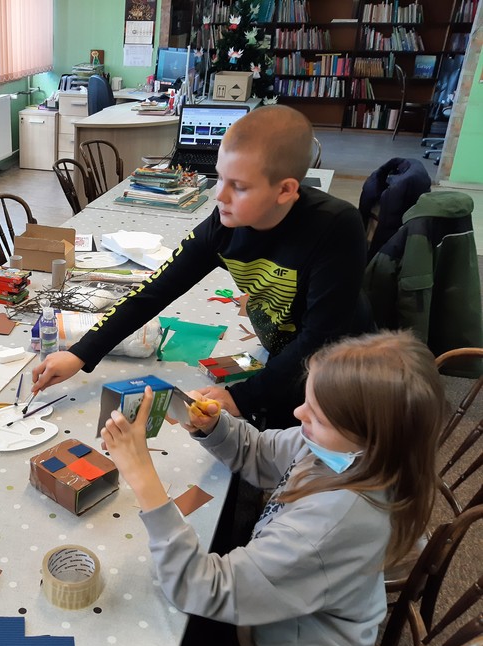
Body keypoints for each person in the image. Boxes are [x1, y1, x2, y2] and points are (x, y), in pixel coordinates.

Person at [100, 331, 442, 646]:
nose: (298, 412)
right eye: (308, 402)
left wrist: (143, 478)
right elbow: (262, 451)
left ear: (371, 443)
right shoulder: (343, 451)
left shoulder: (330, 524)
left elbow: (199, 587)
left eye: (318, 417)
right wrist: (214, 426)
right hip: (276, 599)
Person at [33, 105, 372, 429]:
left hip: (340, 372)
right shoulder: (224, 225)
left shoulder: (336, 226)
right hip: (280, 354)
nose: (219, 195)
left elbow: (321, 339)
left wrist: (242, 397)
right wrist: (81, 353)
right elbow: (154, 291)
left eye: (239, 186)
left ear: (285, 190)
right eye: (221, 178)